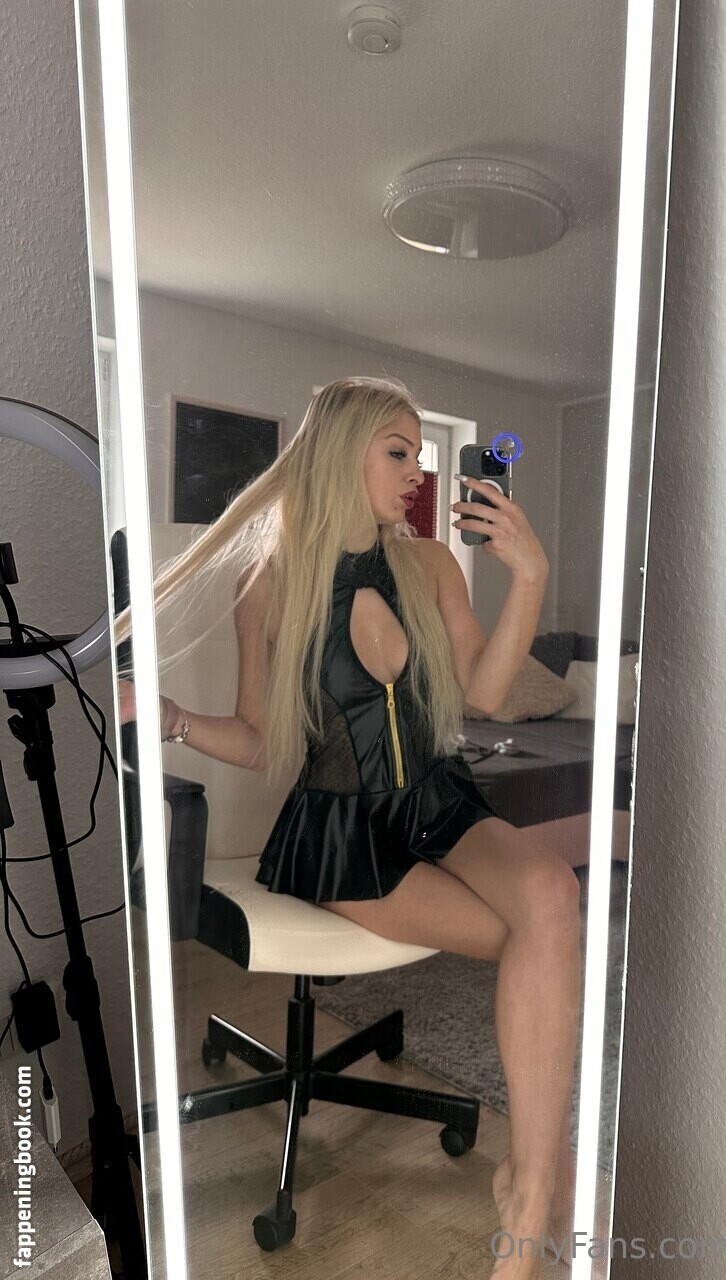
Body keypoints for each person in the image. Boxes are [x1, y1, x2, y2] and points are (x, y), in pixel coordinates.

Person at [116, 376, 582, 1278]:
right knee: (540, 938)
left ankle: (527, 1191)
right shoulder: (270, 583)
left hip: (440, 801)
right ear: (341, 453)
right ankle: (543, 1175)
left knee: (552, 898)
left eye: (421, 454)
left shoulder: (432, 565)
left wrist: (530, 575)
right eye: (398, 452)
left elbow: (487, 695)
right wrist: (170, 717)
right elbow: (259, 740)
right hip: (341, 831)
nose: (418, 473)